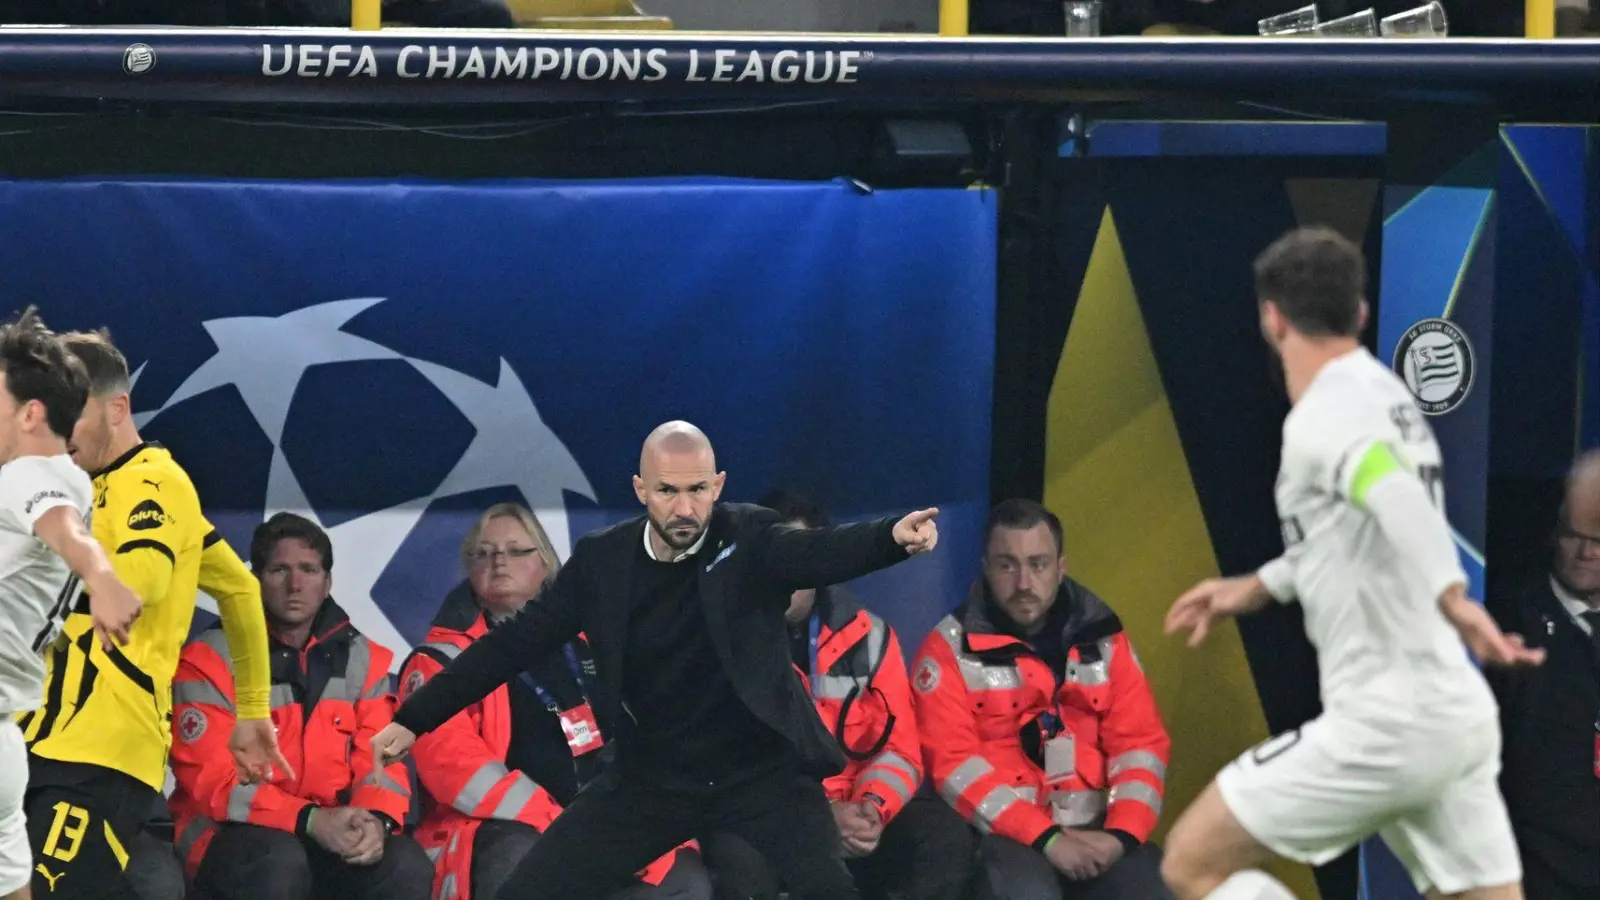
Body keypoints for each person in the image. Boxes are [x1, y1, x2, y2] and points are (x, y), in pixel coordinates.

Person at [371, 420, 940, 900]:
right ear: (641, 489)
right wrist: (414, 717)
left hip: (763, 776)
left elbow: (819, 553)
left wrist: (890, 536)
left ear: (718, 486)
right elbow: (510, 644)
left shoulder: (753, 538)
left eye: (697, 489)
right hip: (651, 779)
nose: (685, 507)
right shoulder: (604, 563)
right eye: (668, 491)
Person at [1159, 226, 1543, 900]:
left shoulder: (1323, 414)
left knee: (1192, 862)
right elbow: (1345, 536)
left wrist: (1453, 596)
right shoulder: (1389, 396)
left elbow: (1391, 494)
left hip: (1382, 726)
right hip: (1453, 718)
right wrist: (1255, 587)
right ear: (1360, 315)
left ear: (1271, 318)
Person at [20, 328, 289, 900]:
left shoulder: (154, 482)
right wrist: (252, 708)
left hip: (99, 754)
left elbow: (139, 583)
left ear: (118, 407)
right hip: (36, 740)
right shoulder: (76, 489)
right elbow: (240, 589)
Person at [398, 503, 708, 900]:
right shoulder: (441, 659)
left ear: (545, 562)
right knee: (525, 859)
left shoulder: (593, 642)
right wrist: (559, 823)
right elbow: (452, 765)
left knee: (685, 876)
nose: (498, 562)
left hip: (604, 821)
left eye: (515, 550)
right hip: (504, 829)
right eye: (483, 553)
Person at [702, 489, 973, 900]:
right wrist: (822, 817)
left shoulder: (870, 636)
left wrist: (871, 808)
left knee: (942, 835)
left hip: (856, 811)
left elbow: (900, 751)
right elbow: (719, 768)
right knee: (735, 859)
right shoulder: (719, 642)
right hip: (767, 823)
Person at [912, 498, 1171, 900]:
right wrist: (1046, 839)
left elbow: (1140, 746)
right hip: (1001, 836)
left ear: (1060, 567)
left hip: (1096, 831)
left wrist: (1121, 835)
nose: (1023, 583)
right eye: (1006, 565)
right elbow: (953, 766)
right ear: (985, 567)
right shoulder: (946, 650)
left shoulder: (1104, 638)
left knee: (1151, 890)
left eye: (1037, 564)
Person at [168, 512, 432, 900]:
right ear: (255, 580)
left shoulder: (365, 659)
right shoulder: (207, 659)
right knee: (281, 861)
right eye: (279, 569)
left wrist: (375, 821)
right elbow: (212, 782)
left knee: (405, 864)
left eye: (308, 569)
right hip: (228, 834)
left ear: (327, 583)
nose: (295, 584)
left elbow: (382, 762)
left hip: (331, 830)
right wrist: (308, 820)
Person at [0, 307, 143, 900]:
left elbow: (67, 532)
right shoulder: (65, 476)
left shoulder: (29, 476)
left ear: (31, 412)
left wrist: (102, 577)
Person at [1485, 450, 1600, 900]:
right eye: (1576, 536)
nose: (1588, 552)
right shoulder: (1509, 626)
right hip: (1535, 870)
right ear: (1555, 531)